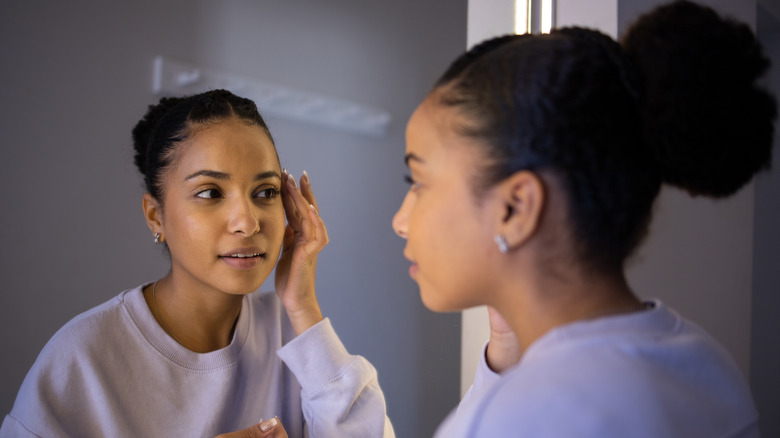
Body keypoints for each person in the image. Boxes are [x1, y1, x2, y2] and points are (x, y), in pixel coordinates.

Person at [392, 1, 775, 437]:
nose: (400, 222)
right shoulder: (706, 365)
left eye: (418, 181)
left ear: (516, 208)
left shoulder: (526, 418)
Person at [1, 89, 395, 437]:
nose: (247, 223)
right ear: (155, 217)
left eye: (265, 191)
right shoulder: (81, 358)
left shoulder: (293, 334)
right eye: (210, 193)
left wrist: (304, 307)